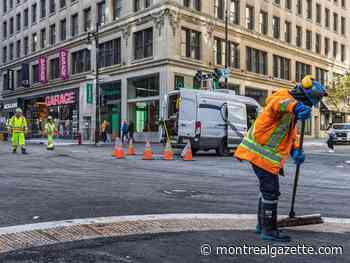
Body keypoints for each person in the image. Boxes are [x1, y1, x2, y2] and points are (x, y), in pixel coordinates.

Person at [234, 75, 327, 242]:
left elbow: (290, 134)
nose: (310, 106)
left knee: (267, 190)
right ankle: (268, 230)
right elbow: (279, 103)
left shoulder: (291, 113)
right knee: (271, 191)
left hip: (264, 157)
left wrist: (296, 150)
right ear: (304, 96)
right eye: (309, 102)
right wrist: (296, 106)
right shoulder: (283, 97)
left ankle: (262, 225)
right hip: (259, 154)